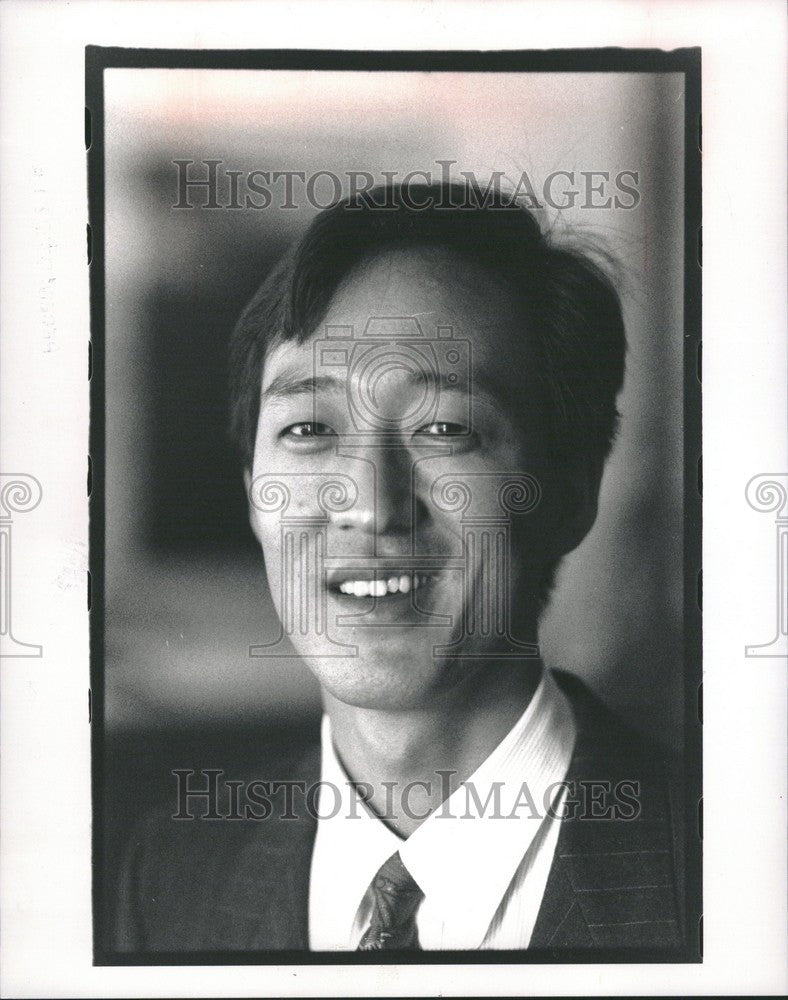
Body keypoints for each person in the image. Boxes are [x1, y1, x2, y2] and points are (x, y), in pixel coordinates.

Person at [114, 182, 685, 955]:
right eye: (310, 427)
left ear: (570, 494)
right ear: (255, 494)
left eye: (445, 429)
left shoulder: (728, 870)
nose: (370, 504)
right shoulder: (174, 875)